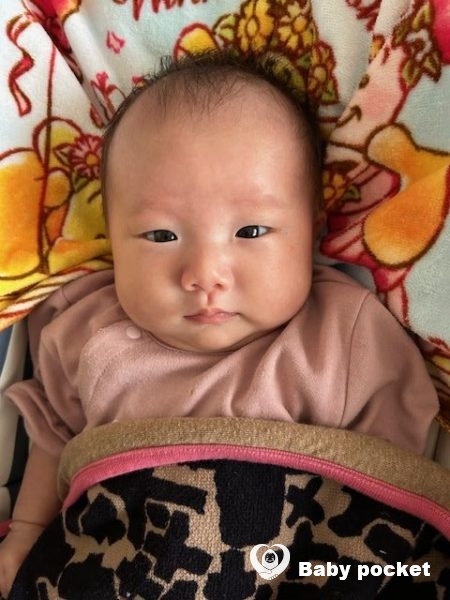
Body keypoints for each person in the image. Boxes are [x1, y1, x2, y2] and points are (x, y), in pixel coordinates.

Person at [0, 50, 439, 597]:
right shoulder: (85, 329)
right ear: (111, 235)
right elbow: (54, 439)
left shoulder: (345, 335)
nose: (205, 274)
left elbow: (398, 484)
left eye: (251, 231)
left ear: (312, 228)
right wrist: (26, 530)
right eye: (161, 236)